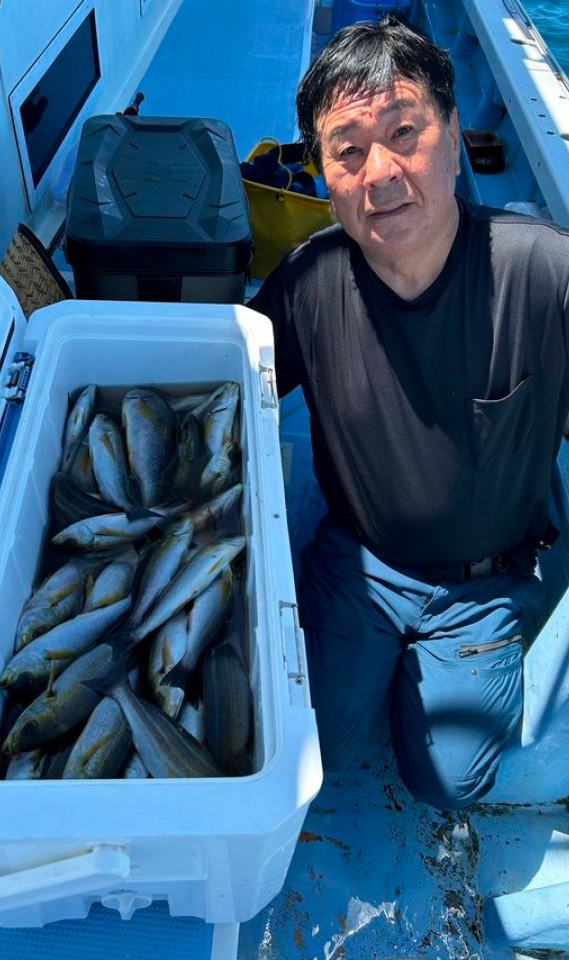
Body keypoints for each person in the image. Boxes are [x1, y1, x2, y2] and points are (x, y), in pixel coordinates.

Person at [247, 14, 569, 810]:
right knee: (302, 751)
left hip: (485, 583)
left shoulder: (545, 272)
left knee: (448, 778)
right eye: (348, 151)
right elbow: (230, 399)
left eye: (405, 131)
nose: (381, 172)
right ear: (323, 173)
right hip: (360, 562)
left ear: (455, 135)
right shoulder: (308, 281)